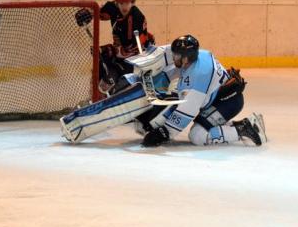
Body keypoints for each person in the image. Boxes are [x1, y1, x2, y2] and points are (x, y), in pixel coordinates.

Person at [60, 34, 266, 147]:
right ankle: (232, 126)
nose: (174, 58)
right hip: (210, 98)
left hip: (227, 101)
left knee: (198, 136)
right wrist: (136, 77)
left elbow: (187, 112)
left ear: (186, 58)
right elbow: (165, 62)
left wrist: (164, 133)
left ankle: (244, 128)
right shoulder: (190, 58)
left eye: (178, 56)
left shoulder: (198, 76)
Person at [97, 0, 154, 93]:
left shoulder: (137, 17)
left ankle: (116, 90)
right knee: (99, 59)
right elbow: (98, 11)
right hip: (121, 54)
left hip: (136, 58)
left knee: (118, 83)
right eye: (121, 3)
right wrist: (88, 13)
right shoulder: (113, 7)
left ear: (132, 2)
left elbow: (129, 48)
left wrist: (109, 49)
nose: (124, 7)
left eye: (127, 3)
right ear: (117, 2)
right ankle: (98, 94)